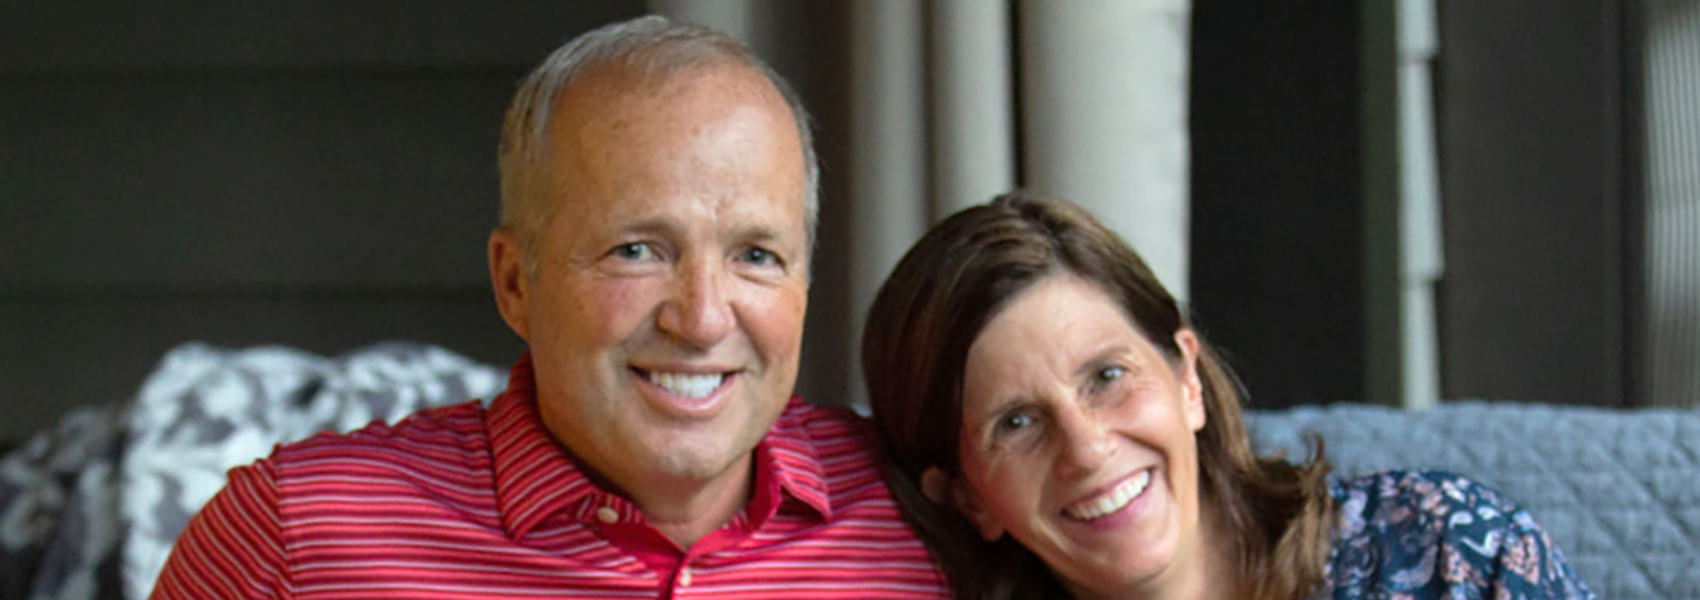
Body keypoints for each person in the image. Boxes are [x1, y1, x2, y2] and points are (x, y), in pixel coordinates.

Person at [149, 16, 948, 599]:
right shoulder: (295, 539)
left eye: (756, 257)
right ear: (515, 283)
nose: (703, 319)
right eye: (637, 249)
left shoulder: (933, 516)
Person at [861, 192, 1594, 600]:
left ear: (1186, 379)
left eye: (1107, 377)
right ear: (967, 499)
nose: (1086, 448)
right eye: (1017, 423)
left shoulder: (1447, 552)